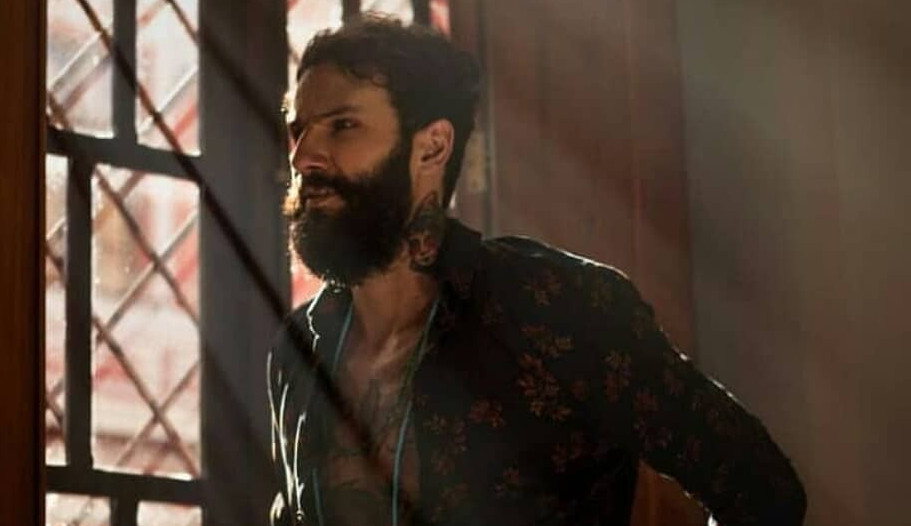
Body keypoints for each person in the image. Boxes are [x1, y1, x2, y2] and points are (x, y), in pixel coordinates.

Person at [268, 16, 806, 526]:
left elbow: (761, 489)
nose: (303, 156)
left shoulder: (554, 309)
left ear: (432, 146)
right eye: (299, 130)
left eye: (342, 125)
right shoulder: (301, 352)